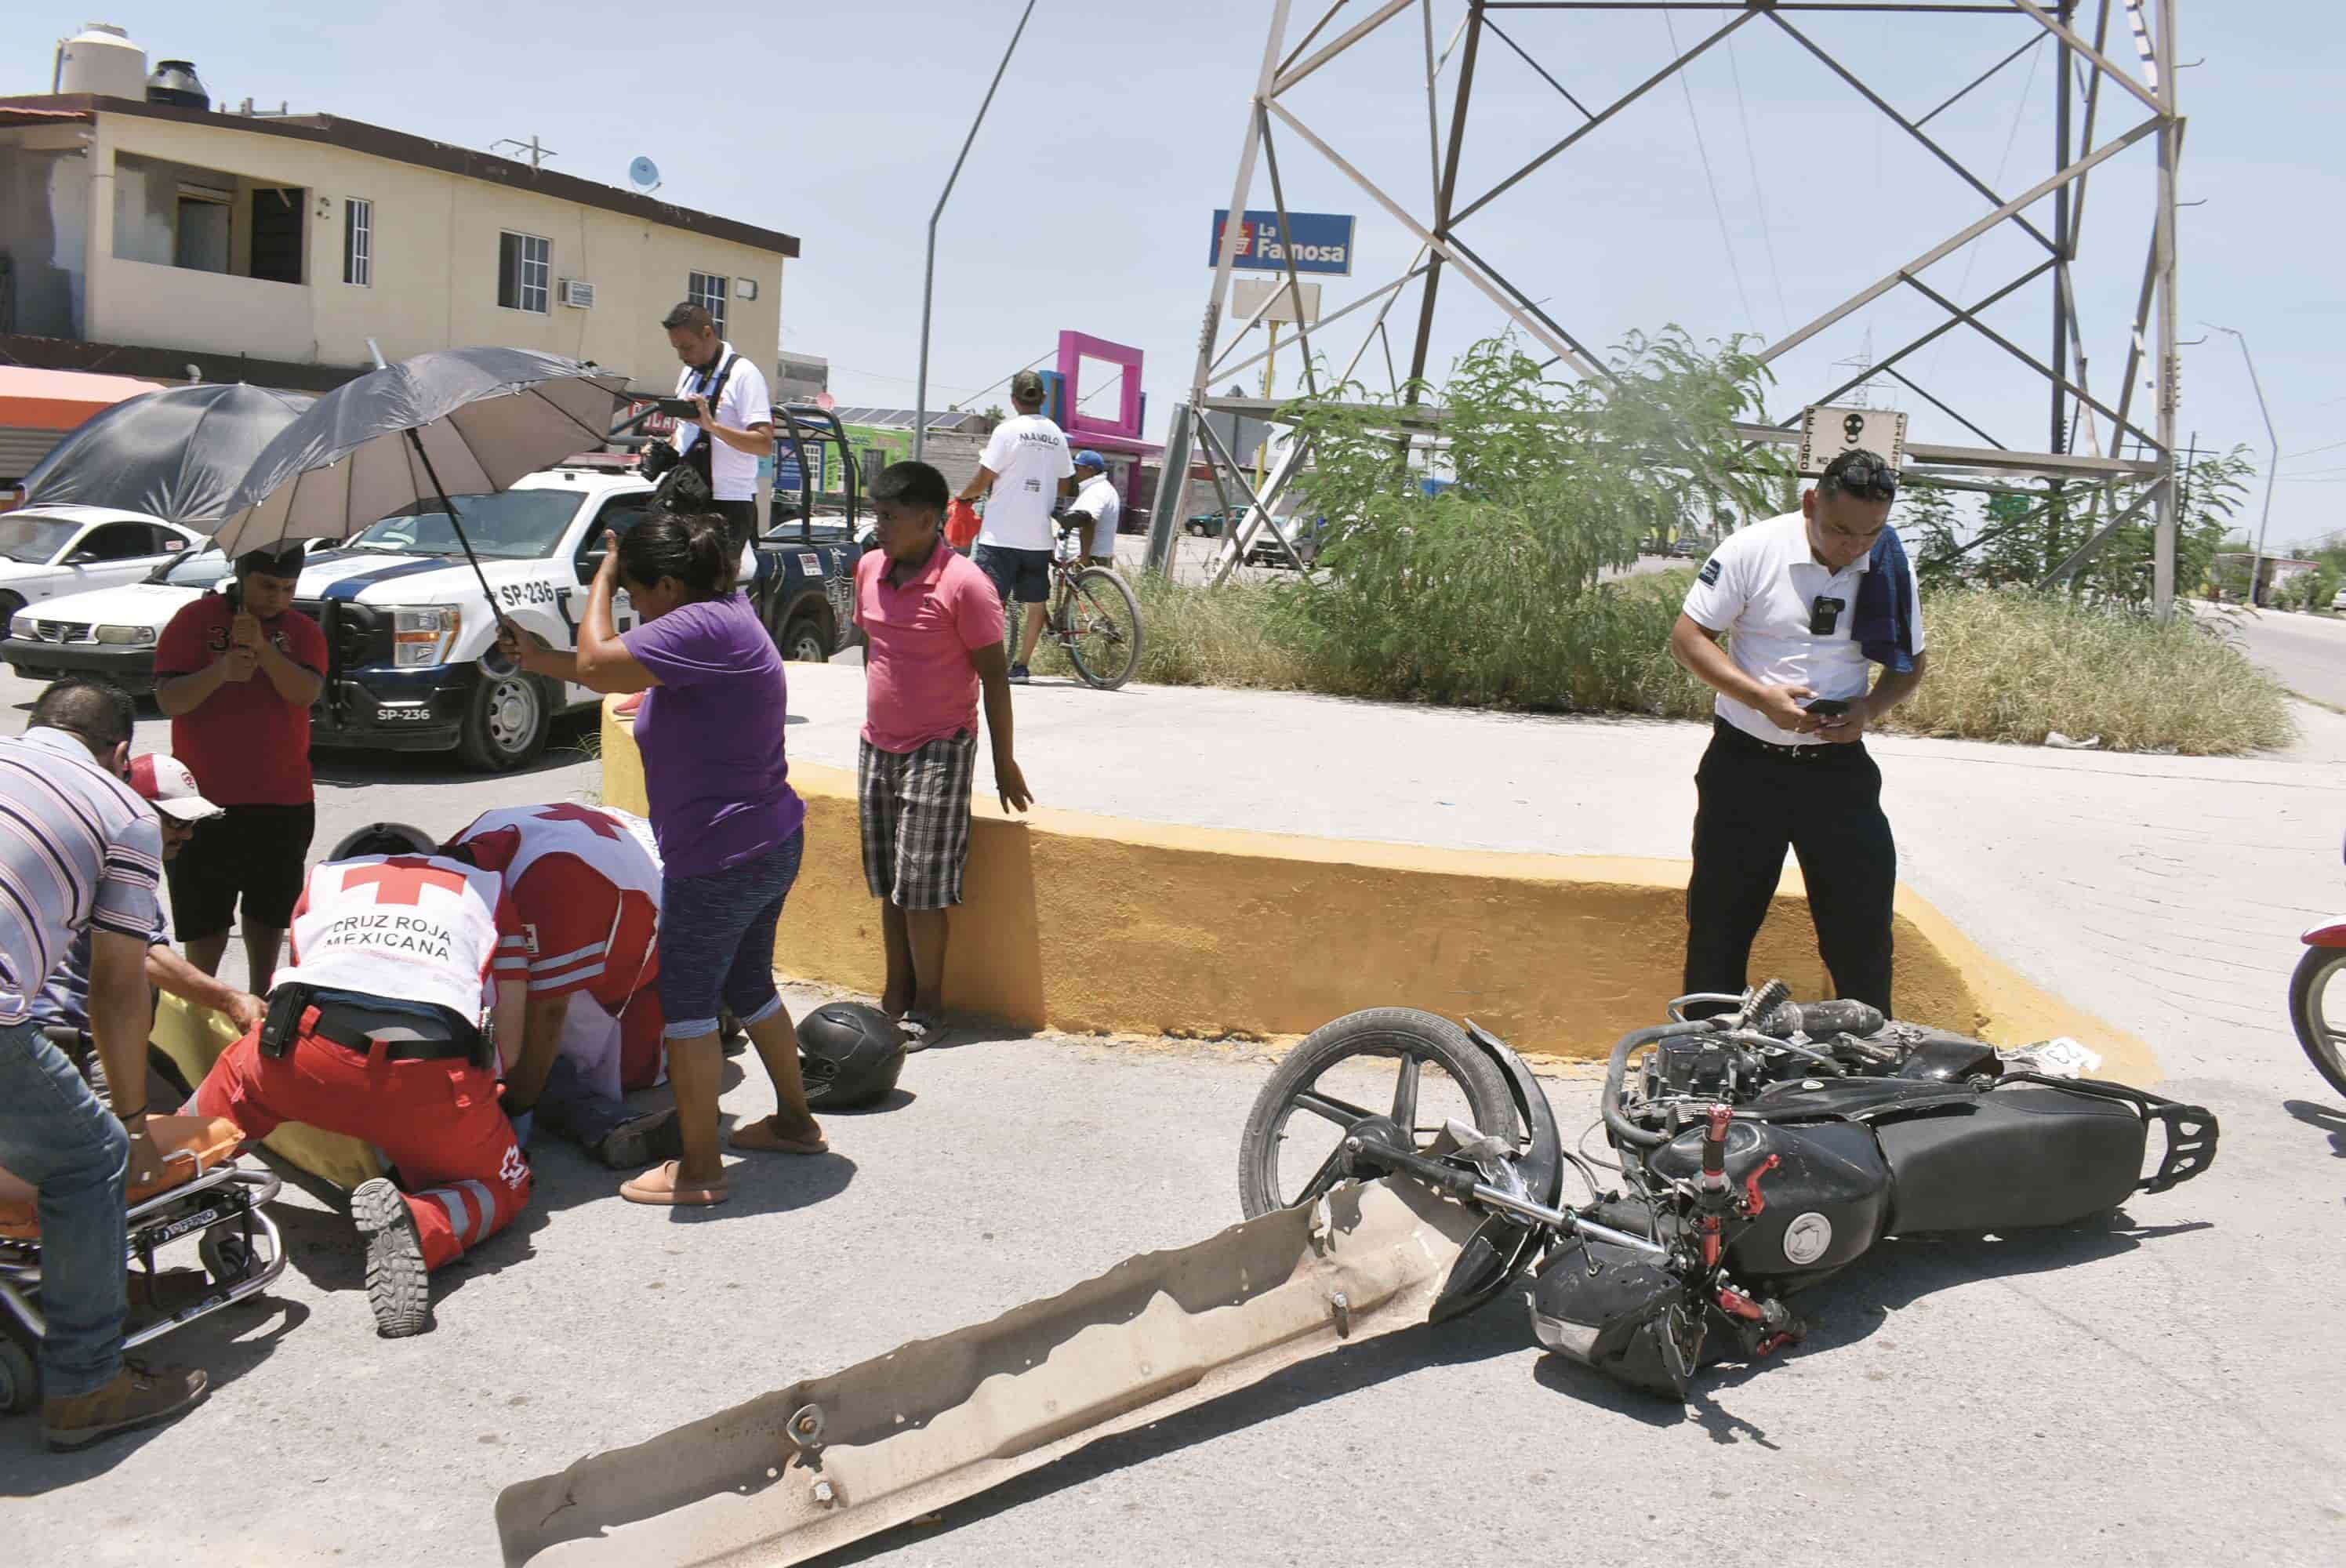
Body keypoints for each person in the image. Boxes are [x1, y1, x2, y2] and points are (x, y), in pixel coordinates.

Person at [498, 513, 823, 1207]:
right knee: (748, 985)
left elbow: (595, 662)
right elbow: (603, 671)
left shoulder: (700, 626)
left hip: (721, 854)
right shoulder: (721, 615)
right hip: (764, 839)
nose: (632, 611)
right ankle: (796, 1122)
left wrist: (601, 576)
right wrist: (535, 658)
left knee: (688, 1009)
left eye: (638, 596)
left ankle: (700, 1169)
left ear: (669, 585)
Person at [185, 827, 533, 1337]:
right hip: (433, 1077)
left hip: (308, 1057)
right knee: (506, 1183)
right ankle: (421, 1223)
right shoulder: (488, 890)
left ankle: (166, 1172)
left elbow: (304, 991)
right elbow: (511, 1049)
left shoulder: (322, 882)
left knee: (242, 1078)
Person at [0, 678, 208, 1449]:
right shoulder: (120, 807)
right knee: (87, 1158)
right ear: (122, 753)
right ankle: (87, 1382)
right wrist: (130, 1121)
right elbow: (119, 986)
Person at [1669, 448, 1928, 1017]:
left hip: (1837, 774)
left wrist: (1868, 709)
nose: (1854, 547)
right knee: (1719, 929)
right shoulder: (1753, 549)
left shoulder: (1888, 560)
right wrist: (1759, 697)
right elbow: (1688, 638)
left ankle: (1864, 1077)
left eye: (1870, 533)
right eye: (1840, 530)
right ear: (1811, 502)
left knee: (1860, 933)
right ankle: (1707, 1073)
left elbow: (1910, 665)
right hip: (1745, 768)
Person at [856, 462, 1033, 1039]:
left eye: (890, 517)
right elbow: (874, 652)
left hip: (940, 749)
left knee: (923, 887)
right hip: (876, 746)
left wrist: (1004, 761)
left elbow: (995, 677)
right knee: (888, 882)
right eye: (876, 514)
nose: (878, 527)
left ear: (929, 521)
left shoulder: (967, 585)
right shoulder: (868, 570)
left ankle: (928, 1007)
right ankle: (894, 994)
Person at [446, 802, 681, 1171]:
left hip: (652, 963)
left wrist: (517, 1106)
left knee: (529, 1058)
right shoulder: (469, 848)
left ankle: (609, 1120)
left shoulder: (550, 882)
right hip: (633, 869)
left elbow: (549, 1013)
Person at [30, 753, 265, 1098]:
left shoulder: (97, 853)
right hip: (73, 1045)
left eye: (192, 824)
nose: (187, 835)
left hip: (78, 1037)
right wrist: (231, 999)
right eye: (176, 822)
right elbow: (148, 959)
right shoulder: (114, 865)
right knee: (139, 1146)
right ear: (134, 810)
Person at [153, 543, 328, 996]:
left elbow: (305, 692)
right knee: (204, 916)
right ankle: (202, 1006)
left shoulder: (303, 630)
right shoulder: (193, 620)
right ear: (242, 575)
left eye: (288, 588)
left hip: (282, 798)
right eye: (267, 586)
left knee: (269, 913)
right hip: (200, 799)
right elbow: (170, 699)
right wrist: (221, 670)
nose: (278, 598)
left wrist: (265, 651)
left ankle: (260, 998)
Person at [957, 368, 1074, 683]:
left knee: (987, 601)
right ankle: (1021, 666)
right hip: (1038, 537)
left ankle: (987, 663)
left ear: (1013, 400)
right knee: (1035, 602)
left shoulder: (1006, 431)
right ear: (1044, 399)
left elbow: (983, 478)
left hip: (1001, 537)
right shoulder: (1056, 434)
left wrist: (963, 498)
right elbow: (1065, 485)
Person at [659, 302, 775, 557]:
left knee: (712, 589)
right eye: (676, 348)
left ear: (708, 334)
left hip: (728, 503)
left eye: (687, 347)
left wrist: (712, 426)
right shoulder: (689, 374)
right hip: (688, 496)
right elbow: (684, 431)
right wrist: (665, 447)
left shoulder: (744, 375)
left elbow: (764, 444)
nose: (682, 356)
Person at [1070, 450, 1120, 566]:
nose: (1074, 472)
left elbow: (1087, 521)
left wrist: (1084, 558)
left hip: (1089, 559)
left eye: (1077, 468)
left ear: (1090, 470)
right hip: (1095, 557)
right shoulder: (1102, 488)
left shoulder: (1096, 491)